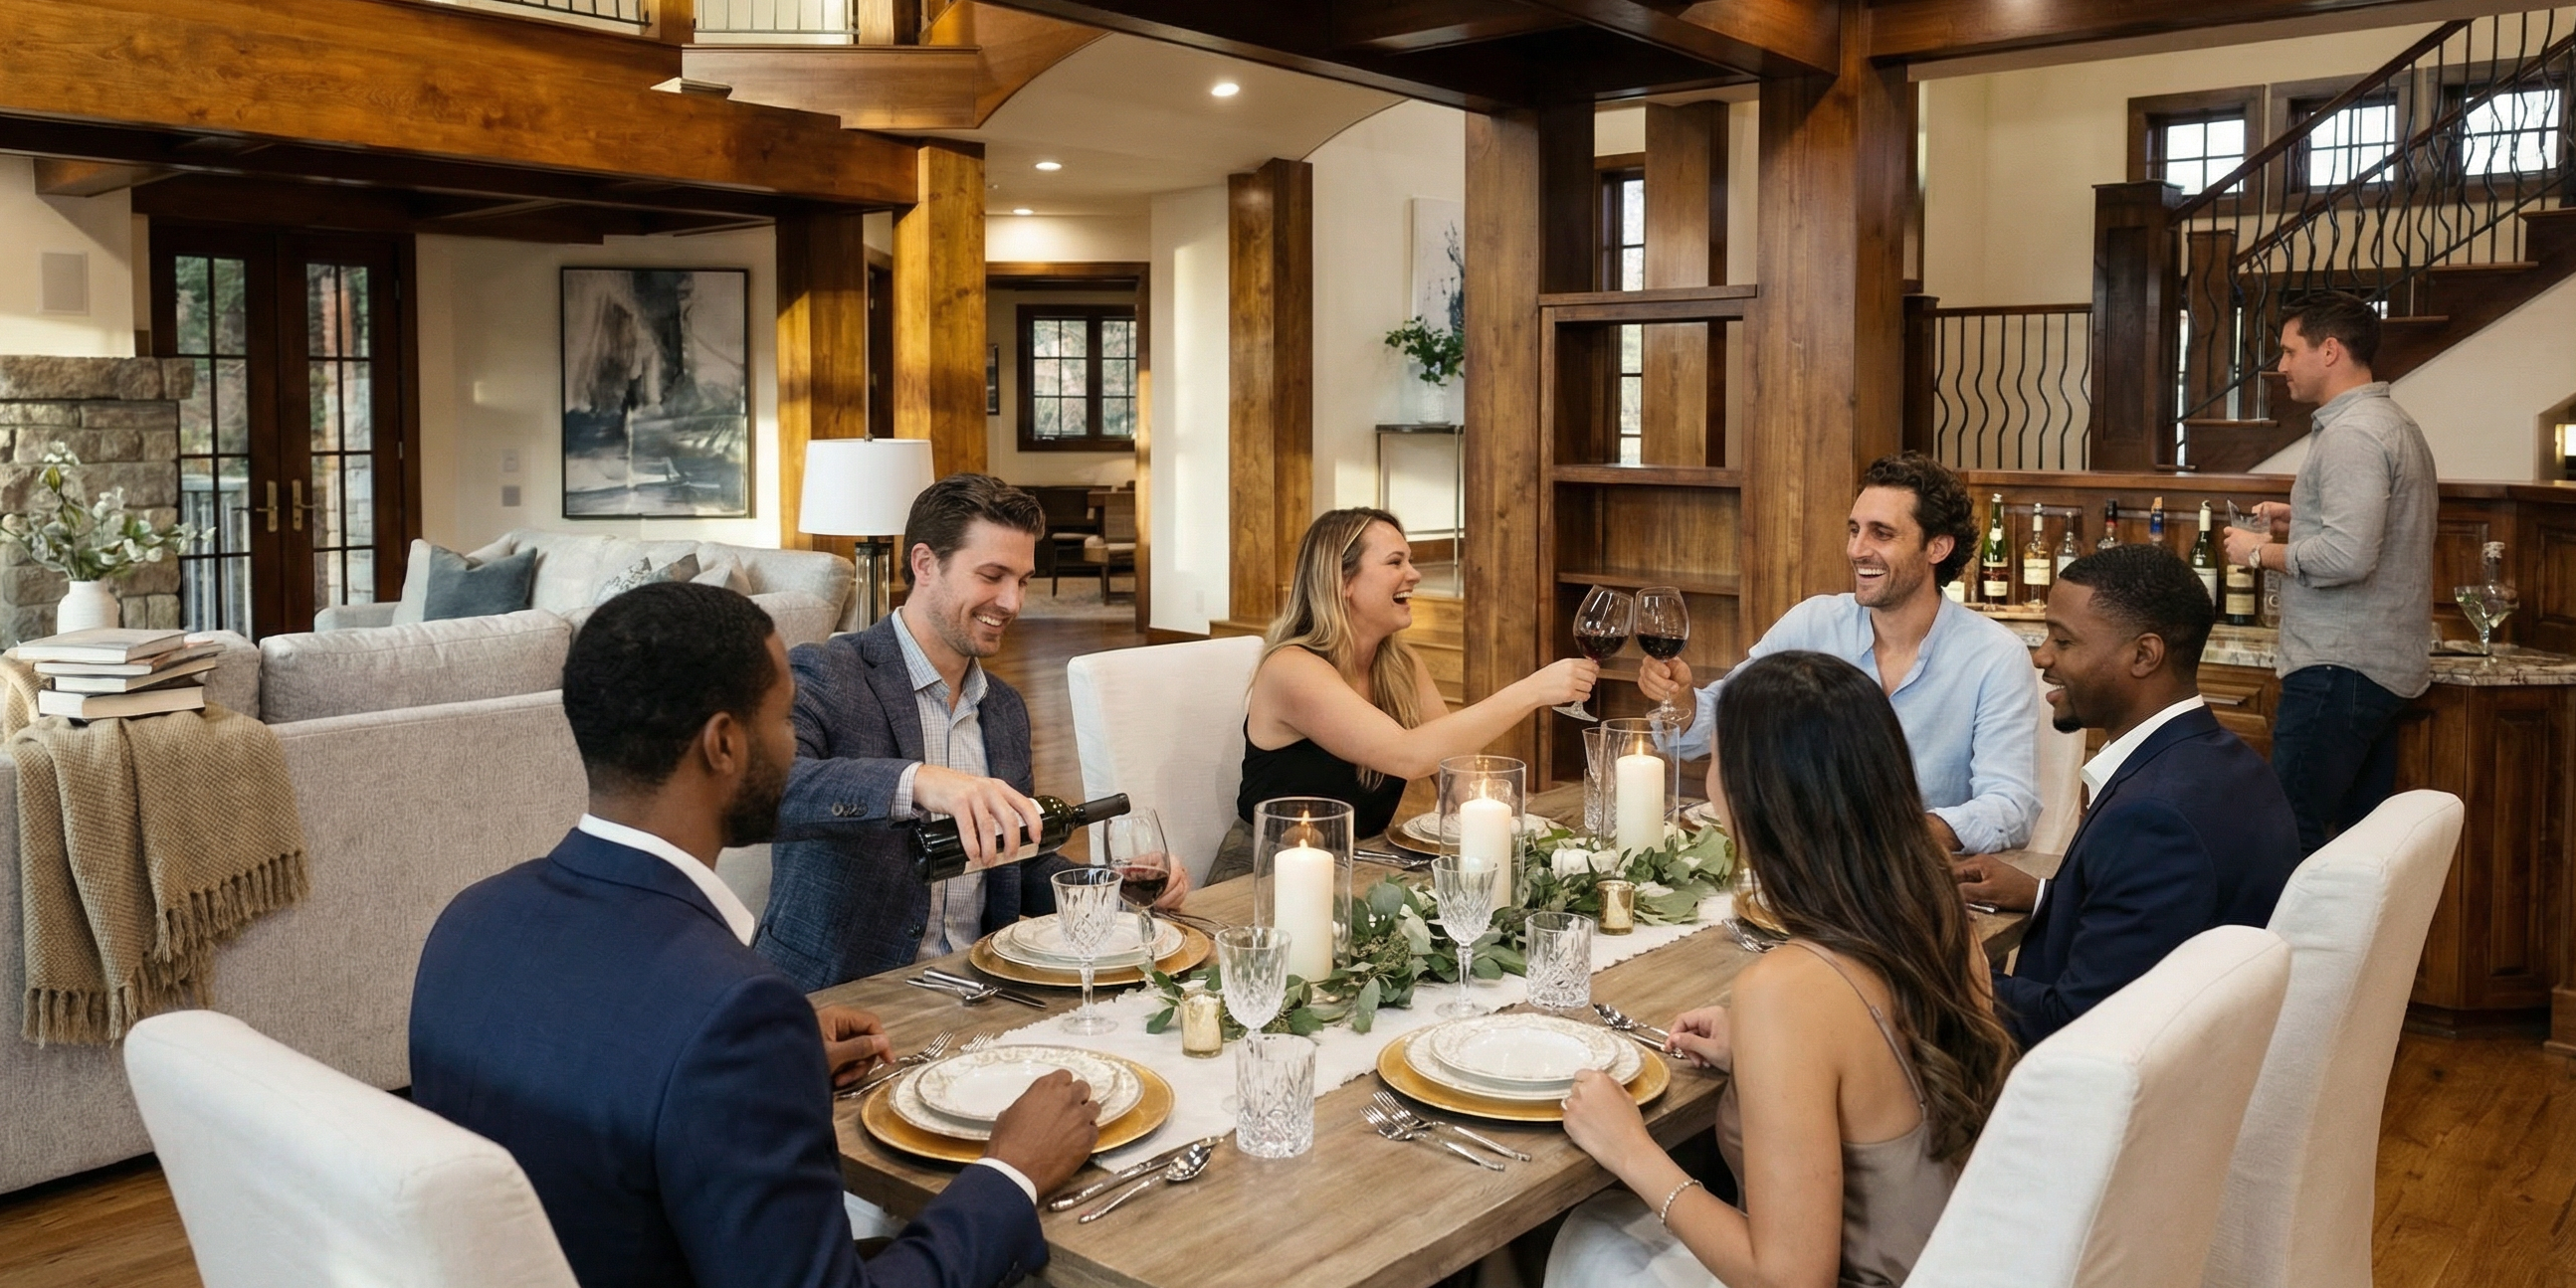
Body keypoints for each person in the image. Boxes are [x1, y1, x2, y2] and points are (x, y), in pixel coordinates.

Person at [410, 582, 1179, 1288]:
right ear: (723, 744)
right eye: (782, 719)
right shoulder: (732, 1010)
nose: (794, 743)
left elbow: (602, 1092)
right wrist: (1011, 1172)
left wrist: (750, 1073)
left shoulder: (470, 923)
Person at [1455, 649, 2018, 1288]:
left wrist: (1631, 1151)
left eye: (1717, 759)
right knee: (1538, 1260)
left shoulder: (1788, 988)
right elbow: (1883, 1073)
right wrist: (1766, 1058)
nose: (1709, 779)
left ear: (1758, 795)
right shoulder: (1937, 922)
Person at [756, 473, 1186, 990]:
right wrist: (919, 781)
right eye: (992, 576)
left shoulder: (1003, 708)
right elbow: (769, 793)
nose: (1012, 602)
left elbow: (1018, 861)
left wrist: (1114, 890)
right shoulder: (826, 672)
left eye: (1022, 581)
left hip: (980, 986)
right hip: (841, 994)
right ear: (924, 564)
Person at [1955, 547, 2298, 1047]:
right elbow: (2159, 923)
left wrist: (1936, 960)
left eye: (2063, 640)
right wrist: (2045, 895)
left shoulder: (2152, 820)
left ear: (2144, 656)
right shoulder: (2228, 761)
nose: (2042, 656)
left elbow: (2076, 1024)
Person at [1639, 453, 2041, 854]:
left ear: (1937, 547)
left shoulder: (1995, 657)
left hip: (1918, 874)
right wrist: (1682, 700)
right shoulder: (1811, 624)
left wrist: (1887, 838)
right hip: (1802, 867)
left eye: (1881, 533)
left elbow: (2010, 807)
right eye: (1854, 530)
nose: (1857, 549)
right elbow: (1721, 723)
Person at [1212, 505, 1597, 880]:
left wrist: (1514, 829)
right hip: (1263, 876)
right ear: (1342, 582)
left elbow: (1453, 769)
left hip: (1360, 865)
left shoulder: (1399, 665)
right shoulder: (1292, 669)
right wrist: (1531, 691)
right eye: (1395, 562)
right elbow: (1408, 756)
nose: (1414, 574)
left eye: (1409, 561)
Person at [2221, 290, 2440, 853]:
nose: (2281, 366)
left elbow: (2348, 556)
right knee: (2357, 846)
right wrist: (2301, 516)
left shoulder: (2352, 435)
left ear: (2330, 350)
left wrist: (2257, 552)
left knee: (2287, 829)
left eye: (2290, 351)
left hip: (2337, 668)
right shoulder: (2390, 422)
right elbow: (2376, 526)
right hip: (2374, 668)